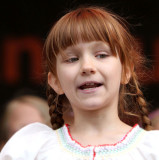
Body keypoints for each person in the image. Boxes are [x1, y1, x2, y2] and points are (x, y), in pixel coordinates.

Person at [1, 6, 159, 159]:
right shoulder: (31, 149)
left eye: (101, 55)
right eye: (72, 59)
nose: (87, 67)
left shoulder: (152, 149)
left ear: (126, 71)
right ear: (55, 82)